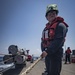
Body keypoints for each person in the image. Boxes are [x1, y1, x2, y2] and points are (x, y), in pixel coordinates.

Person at [41, 4, 68, 75]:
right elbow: (43, 41)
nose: (52, 15)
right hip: (47, 55)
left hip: (56, 54)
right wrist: (43, 50)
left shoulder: (61, 26)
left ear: (56, 14)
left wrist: (47, 51)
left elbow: (58, 41)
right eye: (49, 14)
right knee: (49, 72)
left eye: (53, 13)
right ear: (46, 17)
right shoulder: (45, 29)